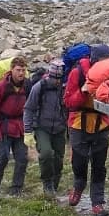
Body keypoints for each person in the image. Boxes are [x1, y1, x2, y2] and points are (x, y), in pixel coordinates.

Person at [63, 43, 109, 216]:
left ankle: (97, 203)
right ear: (93, 60)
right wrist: (84, 91)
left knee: (99, 165)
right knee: (79, 162)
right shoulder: (77, 73)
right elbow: (69, 102)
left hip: (102, 122)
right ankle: (78, 186)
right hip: (78, 123)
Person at [24, 59, 68, 197]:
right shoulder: (39, 87)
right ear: (50, 75)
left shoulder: (64, 88)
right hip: (42, 128)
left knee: (59, 159)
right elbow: (29, 109)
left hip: (60, 128)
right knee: (46, 154)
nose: (57, 82)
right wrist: (28, 131)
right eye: (55, 79)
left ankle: (54, 184)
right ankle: (47, 183)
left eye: (59, 79)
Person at [0, 57, 30, 196]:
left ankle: (16, 189)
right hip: (4, 127)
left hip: (20, 127)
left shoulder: (27, 85)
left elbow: (30, 107)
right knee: (3, 158)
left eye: (23, 70)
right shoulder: (1, 86)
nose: (21, 73)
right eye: (18, 70)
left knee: (22, 158)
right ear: (11, 70)